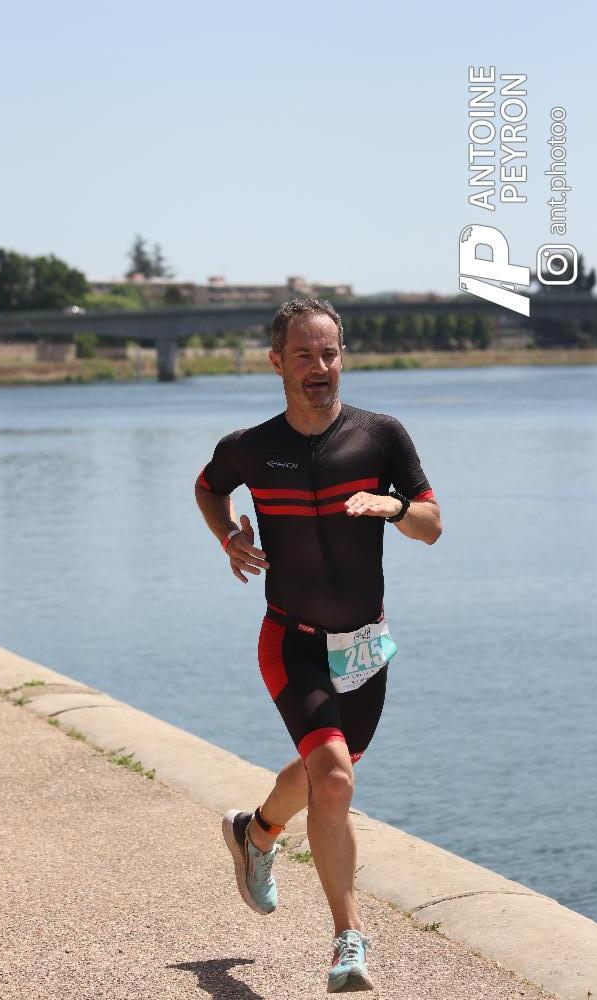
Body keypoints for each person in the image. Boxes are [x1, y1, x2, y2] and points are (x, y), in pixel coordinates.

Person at [194, 297, 442, 993]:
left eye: (329, 353)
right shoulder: (251, 446)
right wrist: (229, 536)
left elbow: (431, 524)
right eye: (303, 355)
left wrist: (393, 507)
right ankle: (347, 939)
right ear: (277, 362)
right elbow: (208, 489)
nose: (319, 367)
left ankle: (254, 834)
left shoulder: (380, 436)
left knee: (323, 775)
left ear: (343, 358)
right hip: (291, 639)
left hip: (365, 648)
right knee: (333, 778)